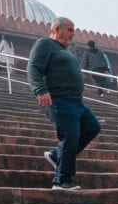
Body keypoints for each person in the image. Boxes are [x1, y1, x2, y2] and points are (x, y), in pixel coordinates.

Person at [28, 17, 101, 191]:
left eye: (73, 29)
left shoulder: (67, 51)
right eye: (69, 29)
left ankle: (55, 155)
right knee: (70, 136)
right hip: (58, 99)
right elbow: (33, 68)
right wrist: (40, 90)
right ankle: (61, 181)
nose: (73, 33)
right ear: (57, 29)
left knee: (92, 127)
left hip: (77, 102)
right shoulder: (44, 44)